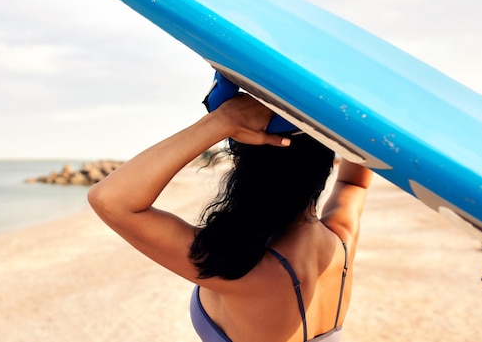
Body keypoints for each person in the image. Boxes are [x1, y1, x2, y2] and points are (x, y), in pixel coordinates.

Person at [88, 94, 373, 342]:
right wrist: (364, 124)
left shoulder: (240, 269)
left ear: (244, 169)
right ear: (324, 167)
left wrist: (223, 120)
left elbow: (110, 200)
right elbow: (354, 183)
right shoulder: (342, 240)